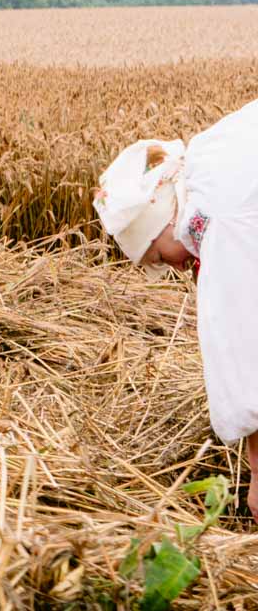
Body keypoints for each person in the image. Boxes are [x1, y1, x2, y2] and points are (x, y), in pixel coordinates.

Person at [95, 99, 258, 515]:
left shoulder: (217, 222)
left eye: (156, 256)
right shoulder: (211, 156)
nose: (170, 266)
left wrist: (257, 477)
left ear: (162, 217)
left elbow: (247, 366)